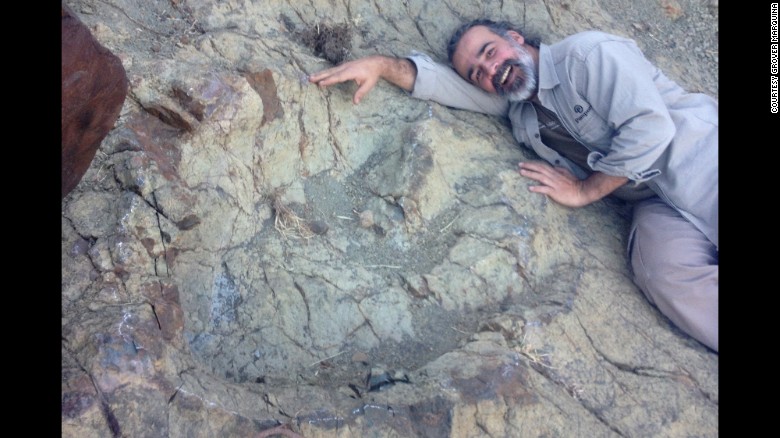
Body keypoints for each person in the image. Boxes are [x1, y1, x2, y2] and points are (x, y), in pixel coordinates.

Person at [309, 19, 718, 352]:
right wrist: (380, 66)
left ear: (515, 39)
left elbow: (652, 129)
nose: (492, 70)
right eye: (478, 73)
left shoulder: (588, 55)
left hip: (700, 157)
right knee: (662, 272)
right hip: (656, 202)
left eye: (490, 52)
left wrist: (585, 191)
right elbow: (440, 84)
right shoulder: (519, 109)